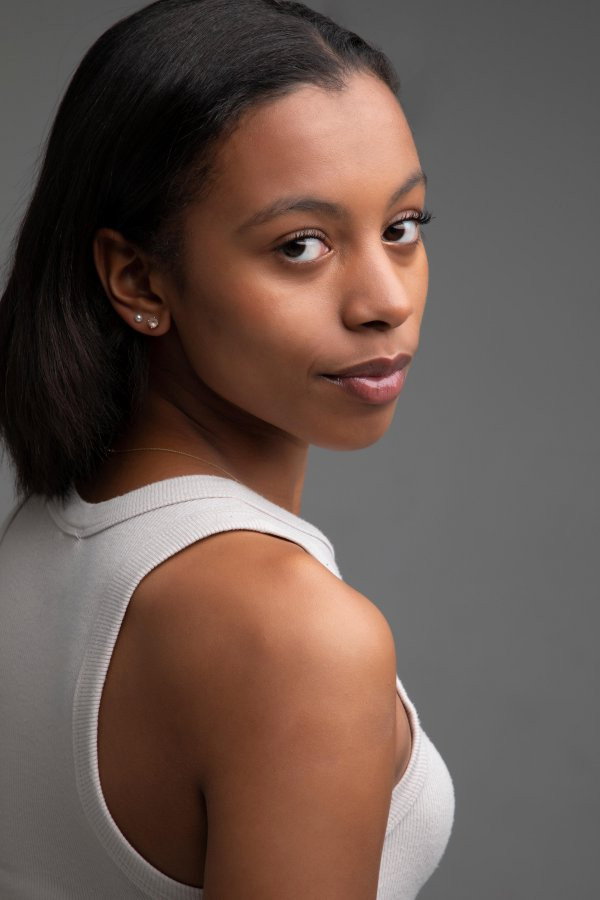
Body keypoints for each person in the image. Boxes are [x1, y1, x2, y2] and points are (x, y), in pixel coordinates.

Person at [0, 1, 455, 897]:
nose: (385, 301)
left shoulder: (37, 545)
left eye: (402, 227)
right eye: (302, 245)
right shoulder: (294, 634)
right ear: (138, 277)